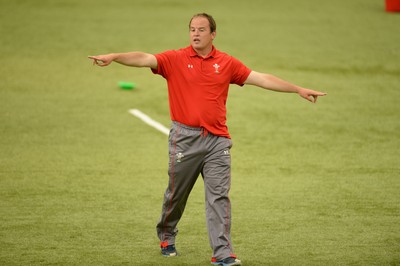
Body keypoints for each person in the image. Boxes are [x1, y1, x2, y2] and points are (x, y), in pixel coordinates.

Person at [88, 13, 326, 266]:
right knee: (176, 195)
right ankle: (167, 234)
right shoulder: (175, 59)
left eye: (201, 29)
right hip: (184, 139)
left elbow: (261, 78)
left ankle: (222, 253)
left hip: (217, 141)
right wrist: (115, 57)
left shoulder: (226, 63)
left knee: (218, 197)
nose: (196, 34)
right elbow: (145, 58)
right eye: (192, 29)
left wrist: (297, 89)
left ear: (213, 34)